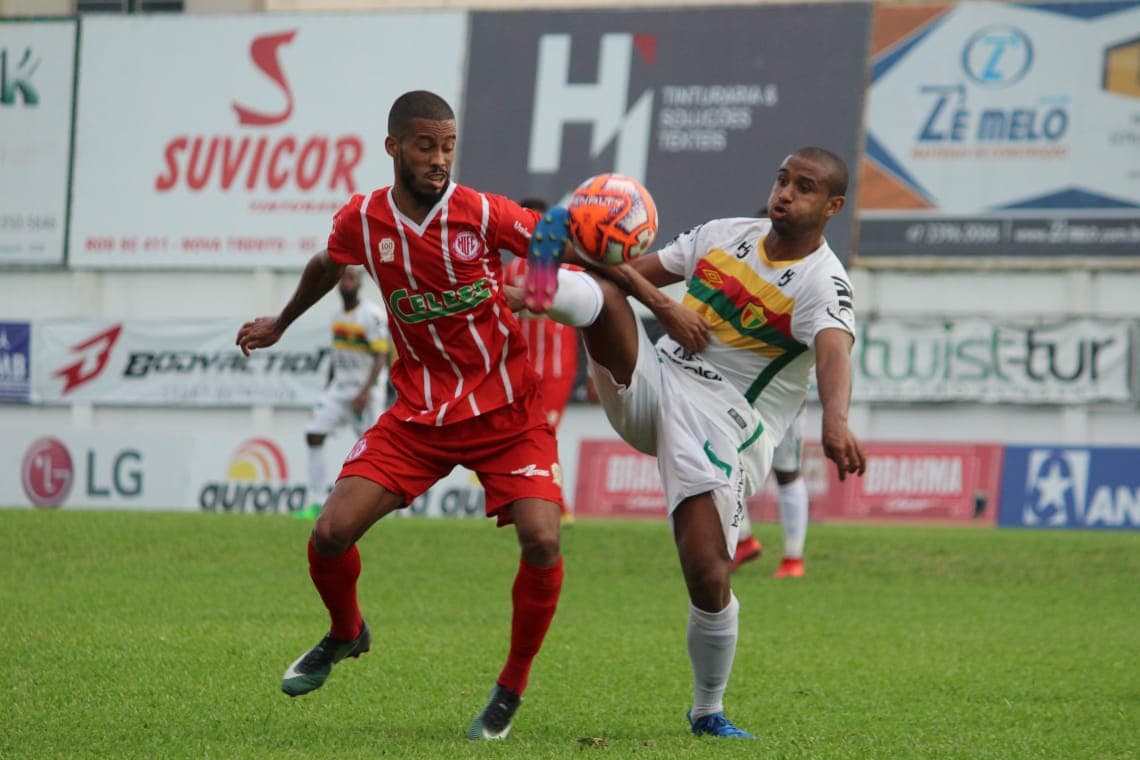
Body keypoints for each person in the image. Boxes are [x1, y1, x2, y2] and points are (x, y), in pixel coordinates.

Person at [236, 90, 565, 742]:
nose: (439, 159)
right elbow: (327, 262)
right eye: (425, 146)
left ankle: (510, 687)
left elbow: (551, 237)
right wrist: (281, 320)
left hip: (507, 411)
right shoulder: (364, 218)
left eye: (447, 146)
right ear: (393, 147)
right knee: (329, 532)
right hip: (419, 415)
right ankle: (345, 631)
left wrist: (543, 289)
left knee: (544, 540)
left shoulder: (482, 212)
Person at [516, 147, 866, 739]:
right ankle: (537, 287)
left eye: (804, 187)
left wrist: (836, 421)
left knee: (707, 574)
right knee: (604, 295)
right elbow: (627, 273)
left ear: (831, 206)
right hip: (658, 379)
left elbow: (834, 350)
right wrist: (624, 276)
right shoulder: (723, 235)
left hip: (727, 425)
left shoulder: (822, 282)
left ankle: (708, 710)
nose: (785, 193)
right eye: (781, 180)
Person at [502, 197, 581, 525]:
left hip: (556, 371)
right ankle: (520, 499)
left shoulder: (569, 269)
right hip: (522, 369)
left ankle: (557, 505)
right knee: (519, 434)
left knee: (544, 432)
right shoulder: (511, 270)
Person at [298, 266, 390, 520]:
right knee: (313, 434)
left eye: (351, 278)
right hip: (339, 389)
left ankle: (381, 505)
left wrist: (364, 392)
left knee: (374, 451)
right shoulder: (337, 315)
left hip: (366, 392)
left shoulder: (371, 315)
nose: (346, 282)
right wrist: (326, 391)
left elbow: (381, 356)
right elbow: (336, 356)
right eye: (343, 278)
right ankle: (317, 501)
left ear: (360, 284)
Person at [732, 401, 811, 578]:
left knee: (787, 473)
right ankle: (742, 540)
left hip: (783, 401)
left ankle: (793, 559)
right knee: (728, 467)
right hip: (744, 400)